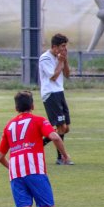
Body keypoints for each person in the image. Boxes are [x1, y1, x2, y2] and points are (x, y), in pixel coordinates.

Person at [0, 91, 72, 207]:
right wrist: (65, 154)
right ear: (32, 105)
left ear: (16, 108)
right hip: (33, 169)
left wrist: (13, 167)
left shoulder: (9, 126)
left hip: (15, 174)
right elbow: (55, 136)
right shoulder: (38, 120)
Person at [38, 33, 74, 165]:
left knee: (65, 128)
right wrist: (60, 61)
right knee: (61, 127)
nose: (64, 49)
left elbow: (67, 74)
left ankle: (39, 144)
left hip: (60, 93)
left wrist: (65, 60)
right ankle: (62, 158)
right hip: (50, 94)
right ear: (54, 47)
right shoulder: (45, 58)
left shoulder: (59, 57)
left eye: (65, 46)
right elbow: (53, 76)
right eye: (62, 46)